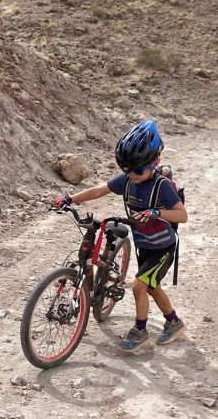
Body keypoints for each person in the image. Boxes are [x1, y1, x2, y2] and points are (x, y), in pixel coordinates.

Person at [52, 119, 187, 351]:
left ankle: (140, 331)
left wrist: (155, 212)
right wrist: (70, 199)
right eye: (126, 169)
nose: (131, 175)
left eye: (137, 170)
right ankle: (173, 322)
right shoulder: (127, 180)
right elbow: (99, 190)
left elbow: (181, 216)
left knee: (139, 286)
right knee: (151, 287)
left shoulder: (161, 186)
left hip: (163, 247)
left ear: (155, 162)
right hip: (144, 245)